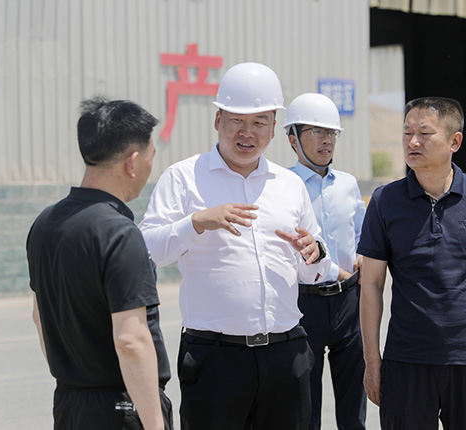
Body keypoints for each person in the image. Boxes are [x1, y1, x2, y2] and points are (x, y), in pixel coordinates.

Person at [139, 62, 332, 430]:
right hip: (216, 359)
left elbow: (315, 269)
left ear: (273, 128)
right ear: (218, 120)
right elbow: (147, 250)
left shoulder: (289, 185)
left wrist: (315, 253)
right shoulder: (183, 178)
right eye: (237, 121)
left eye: (260, 122)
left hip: (286, 354)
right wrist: (196, 222)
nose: (248, 133)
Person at [358, 97, 466, 430]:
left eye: (424, 133)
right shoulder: (385, 201)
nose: (413, 142)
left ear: (454, 141)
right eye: (407, 133)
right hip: (406, 361)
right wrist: (372, 361)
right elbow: (372, 284)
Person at [26, 96, 173, 430]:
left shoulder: (44, 224)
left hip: (69, 403)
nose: (150, 168)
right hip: (121, 408)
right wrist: (154, 424)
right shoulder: (120, 234)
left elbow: (39, 316)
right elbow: (130, 340)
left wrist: (75, 379)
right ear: (133, 162)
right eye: (151, 157)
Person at [283, 93, 367, 430]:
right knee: (305, 404)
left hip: (349, 301)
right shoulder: (282, 186)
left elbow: (361, 233)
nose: (326, 140)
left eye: (331, 132)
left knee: (354, 397)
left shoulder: (348, 184)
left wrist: (363, 255)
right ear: (293, 139)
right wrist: (334, 270)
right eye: (317, 132)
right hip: (304, 303)